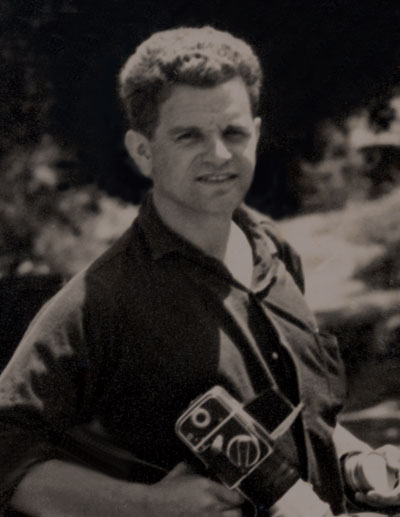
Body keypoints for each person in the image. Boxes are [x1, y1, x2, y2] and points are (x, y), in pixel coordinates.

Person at [1, 25, 400, 517]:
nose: (219, 155)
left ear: (256, 133)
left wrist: (357, 463)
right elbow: (7, 452)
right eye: (188, 135)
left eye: (233, 132)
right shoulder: (102, 299)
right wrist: (147, 505)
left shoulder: (273, 251)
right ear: (143, 151)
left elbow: (300, 420)